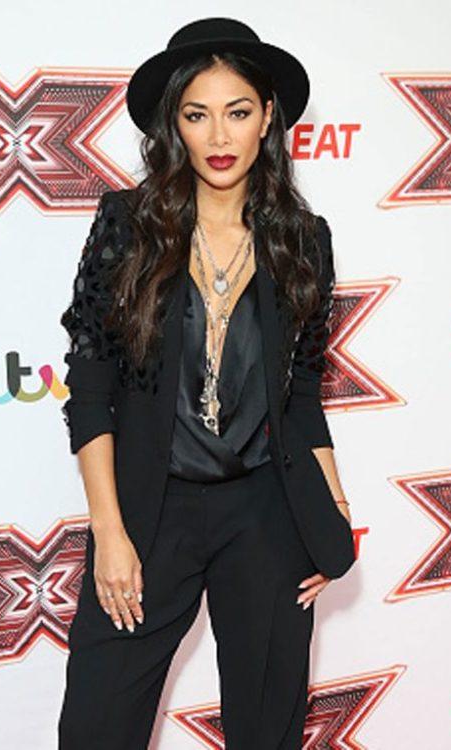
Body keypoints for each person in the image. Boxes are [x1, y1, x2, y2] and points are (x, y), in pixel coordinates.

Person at [57, 17, 355, 750]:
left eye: (238, 111)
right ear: (175, 126)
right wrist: (110, 533)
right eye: (197, 115)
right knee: (98, 724)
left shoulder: (303, 240)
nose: (219, 135)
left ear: (268, 119)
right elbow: (90, 389)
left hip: (267, 514)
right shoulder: (129, 226)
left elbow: (301, 394)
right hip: (152, 511)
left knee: (268, 726)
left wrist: (332, 515)